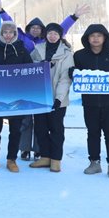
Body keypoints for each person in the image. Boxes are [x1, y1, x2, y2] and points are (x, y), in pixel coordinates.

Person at [0, 0, 89, 162]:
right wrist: (1, 10)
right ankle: (24, 148)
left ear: (43, 31)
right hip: (30, 86)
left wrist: (74, 16)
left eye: (38, 28)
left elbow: (61, 28)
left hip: (49, 87)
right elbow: (10, 25)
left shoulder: (48, 41)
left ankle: (39, 151)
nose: (35, 30)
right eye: (32, 28)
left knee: (44, 125)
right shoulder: (23, 40)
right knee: (26, 121)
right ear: (28, 29)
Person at [73, 23, 109, 179]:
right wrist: (73, 73)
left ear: (105, 38)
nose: (95, 39)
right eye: (92, 36)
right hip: (89, 103)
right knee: (93, 133)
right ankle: (94, 163)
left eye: (99, 36)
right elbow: (75, 74)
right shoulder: (79, 55)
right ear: (87, 38)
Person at [0, 21, 33, 173]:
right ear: (1, 33)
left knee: (15, 130)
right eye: (5, 32)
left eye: (11, 32)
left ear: (15, 34)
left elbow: (30, 71)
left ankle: (12, 159)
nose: (8, 35)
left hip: (17, 96)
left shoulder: (22, 50)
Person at [30, 23, 74, 173]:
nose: (52, 36)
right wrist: (39, 65)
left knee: (56, 129)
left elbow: (65, 78)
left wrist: (59, 98)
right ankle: (45, 156)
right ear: (46, 34)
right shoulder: (38, 50)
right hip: (40, 96)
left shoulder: (66, 54)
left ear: (60, 36)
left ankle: (56, 159)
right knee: (40, 128)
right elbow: (28, 67)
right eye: (50, 33)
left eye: (56, 33)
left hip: (57, 98)